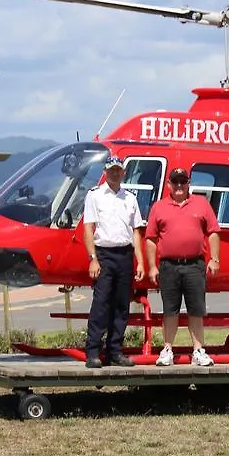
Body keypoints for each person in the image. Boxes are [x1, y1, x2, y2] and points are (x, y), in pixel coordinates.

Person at [145, 166, 220, 366]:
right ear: (169, 184)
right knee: (170, 310)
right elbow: (150, 239)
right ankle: (167, 349)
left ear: (188, 184)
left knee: (196, 309)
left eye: (183, 181)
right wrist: (152, 266)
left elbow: (213, 232)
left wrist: (214, 258)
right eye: (175, 182)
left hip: (195, 264)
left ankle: (198, 350)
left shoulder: (202, 204)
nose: (179, 185)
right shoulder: (158, 207)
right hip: (168, 266)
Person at [81, 155, 145, 368]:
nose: (115, 173)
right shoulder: (95, 196)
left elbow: (136, 231)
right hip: (104, 254)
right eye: (111, 170)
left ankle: (115, 351)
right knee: (101, 304)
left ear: (123, 172)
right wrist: (93, 259)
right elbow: (88, 229)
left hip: (125, 254)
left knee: (121, 305)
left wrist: (141, 261)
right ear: (105, 172)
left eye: (118, 170)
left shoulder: (130, 198)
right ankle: (92, 352)